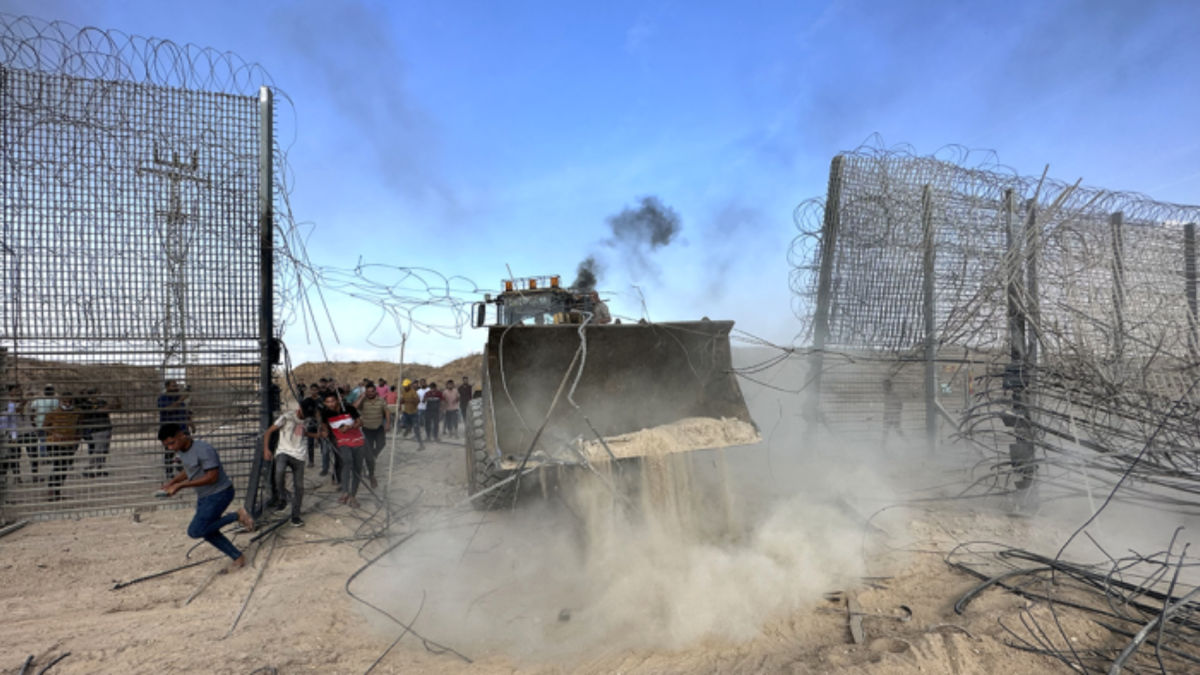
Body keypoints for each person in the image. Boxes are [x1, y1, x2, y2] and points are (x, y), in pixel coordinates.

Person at [159, 423, 255, 570]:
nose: (171, 448)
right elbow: (190, 470)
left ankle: (237, 515)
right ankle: (238, 557)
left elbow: (212, 477)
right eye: (167, 446)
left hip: (219, 493)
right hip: (205, 496)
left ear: (181, 435)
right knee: (208, 530)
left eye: (172, 443)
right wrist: (172, 482)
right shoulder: (182, 450)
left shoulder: (203, 449)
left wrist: (181, 486)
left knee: (196, 531)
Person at [263, 402, 315, 527]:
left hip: (299, 455)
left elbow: (302, 432)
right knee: (279, 473)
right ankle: (283, 496)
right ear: (299, 408)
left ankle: (295, 516)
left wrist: (317, 435)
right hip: (284, 451)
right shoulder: (287, 417)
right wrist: (266, 449)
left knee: (299, 487)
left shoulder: (308, 419)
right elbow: (269, 431)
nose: (305, 417)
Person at [321, 392, 365, 508]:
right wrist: (325, 431)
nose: (331, 404)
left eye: (333, 401)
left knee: (357, 469)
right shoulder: (325, 414)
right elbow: (323, 424)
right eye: (328, 402)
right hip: (343, 442)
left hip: (358, 441)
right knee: (347, 461)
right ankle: (345, 492)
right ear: (325, 403)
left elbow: (360, 422)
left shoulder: (349, 409)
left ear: (337, 400)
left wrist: (349, 427)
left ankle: (353, 495)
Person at [43, 394, 82, 501]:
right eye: (65, 402)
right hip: (54, 443)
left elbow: (80, 424)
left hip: (70, 443)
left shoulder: (78, 412)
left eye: (70, 402)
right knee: (58, 466)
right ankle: (51, 490)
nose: (67, 404)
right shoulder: (53, 413)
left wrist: (78, 436)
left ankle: (57, 491)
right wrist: (54, 433)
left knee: (65, 467)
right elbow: (45, 427)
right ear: (60, 402)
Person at [79, 389, 121, 478]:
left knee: (104, 450)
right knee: (98, 450)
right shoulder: (88, 404)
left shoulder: (102, 402)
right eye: (98, 393)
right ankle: (89, 469)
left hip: (106, 428)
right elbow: (102, 410)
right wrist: (110, 404)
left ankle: (99, 468)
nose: (100, 395)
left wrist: (116, 398)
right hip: (97, 430)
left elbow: (117, 407)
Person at [356, 383, 390, 489]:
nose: (370, 393)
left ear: (375, 391)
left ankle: (373, 455)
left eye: (372, 391)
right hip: (367, 429)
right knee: (369, 454)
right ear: (365, 392)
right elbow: (354, 407)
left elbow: (387, 411)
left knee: (382, 444)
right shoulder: (363, 401)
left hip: (378, 427)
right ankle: (371, 475)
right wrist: (361, 397)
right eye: (368, 391)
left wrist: (388, 423)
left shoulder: (381, 400)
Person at [157, 381, 191, 480]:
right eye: (173, 386)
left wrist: (191, 423)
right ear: (167, 387)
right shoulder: (162, 398)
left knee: (187, 450)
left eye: (176, 385)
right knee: (170, 452)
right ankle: (169, 473)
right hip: (169, 429)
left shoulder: (179, 397)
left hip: (182, 428)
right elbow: (168, 409)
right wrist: (181, 400)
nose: (176, 387)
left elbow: (185, 411)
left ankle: (184, 470)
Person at [31, 385, 59, 476]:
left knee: (42, 440)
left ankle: (43, 458)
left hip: (39, 423)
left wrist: (33, 422)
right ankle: (49, 457)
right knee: (50, 441)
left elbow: (32, 410)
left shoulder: (38, 401)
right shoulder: (55, 401)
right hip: (50, 424)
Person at [399, 381, 423, 449]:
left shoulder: (413, 392)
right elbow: (402, 401)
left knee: (416, 429)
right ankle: (408, 428)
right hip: (406, 412)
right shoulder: (403, 392)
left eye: (406, 386)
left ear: (409, 385)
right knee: (401, 424)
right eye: (404, 386)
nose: (405, 387)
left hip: (413, 413)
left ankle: (421, 444)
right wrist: (401, 403)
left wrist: (410, 400)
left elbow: (418, 401)